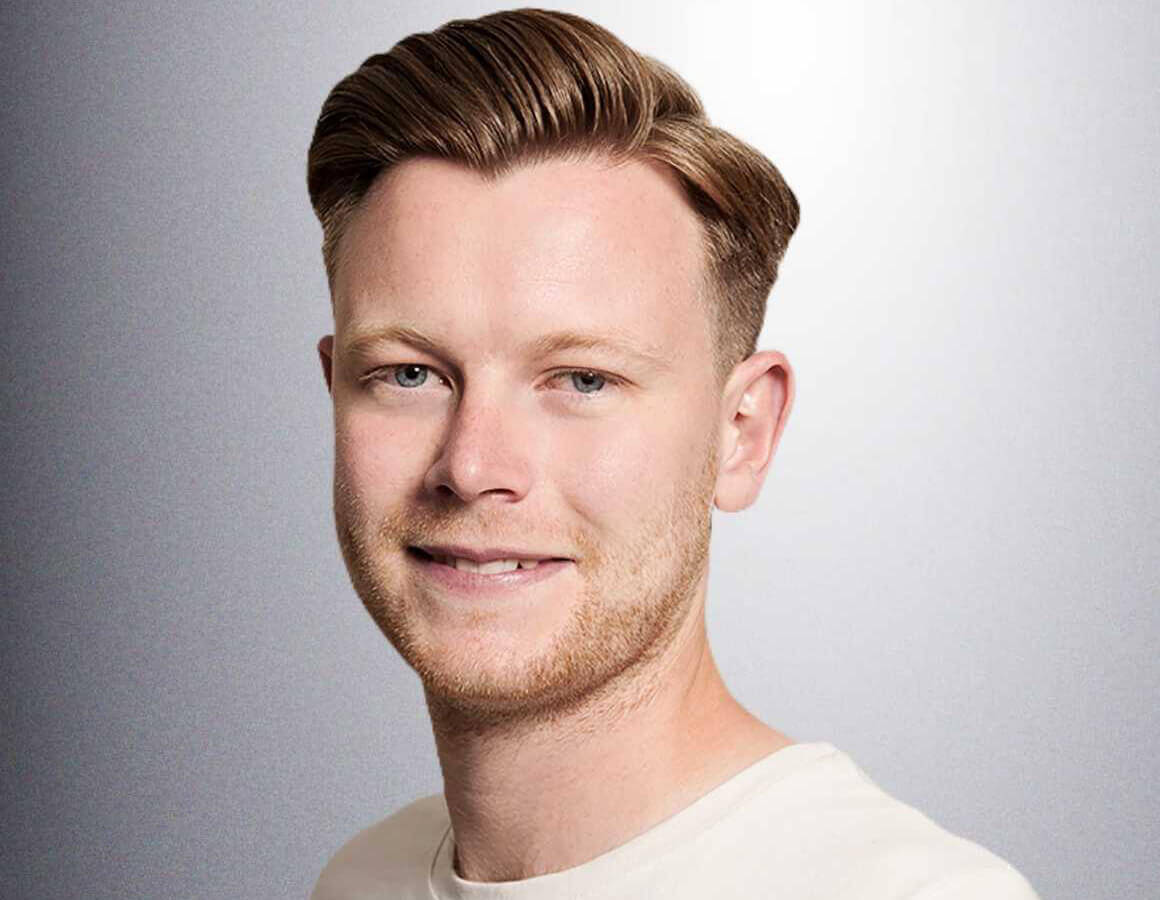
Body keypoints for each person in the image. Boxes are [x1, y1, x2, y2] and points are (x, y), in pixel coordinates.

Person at [306, 9, 1039, 899]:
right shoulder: (361, 878)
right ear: (335, 389)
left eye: (582, 380)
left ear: (743, 433)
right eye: (410, 374)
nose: (472, 466)